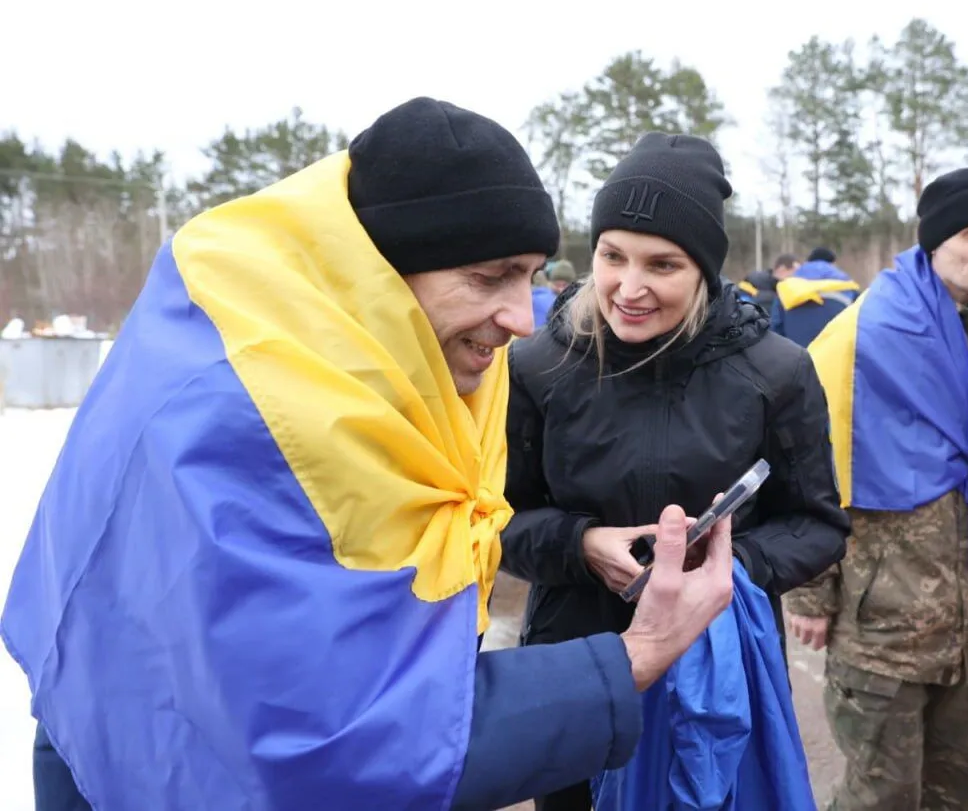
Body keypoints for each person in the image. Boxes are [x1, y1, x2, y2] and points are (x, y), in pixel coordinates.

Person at [1, 98, 737, 811]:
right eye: (489, 277)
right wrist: (636, 654)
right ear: (376, 276)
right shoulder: (249, 428)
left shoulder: (367, 379)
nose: (521, 317)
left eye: (533, 276)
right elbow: (332, 745)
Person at [500, 132, 850, 810]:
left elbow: (818, 524)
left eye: (661, 265)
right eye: (612, 257)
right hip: (577, 662)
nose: (629, 288)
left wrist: (728, 564)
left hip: (718, 666)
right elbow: (499, 518)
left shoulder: (775, 373)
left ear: (704, 272)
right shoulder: (538, 368)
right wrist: (579, 544)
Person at [787, 167, 968, 811]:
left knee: (960, 798)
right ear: (935, 240)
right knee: (878, 799)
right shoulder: (863, 335)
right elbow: (805, 461)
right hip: (884, 630)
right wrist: (808, 591)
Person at [771, 247, 861, 347]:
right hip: (834, 354)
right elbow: (860, 327)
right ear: (832, 263)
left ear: (808, 262)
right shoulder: (849, 286)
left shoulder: (787, 287)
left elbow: (776, 327)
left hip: (796, 355)